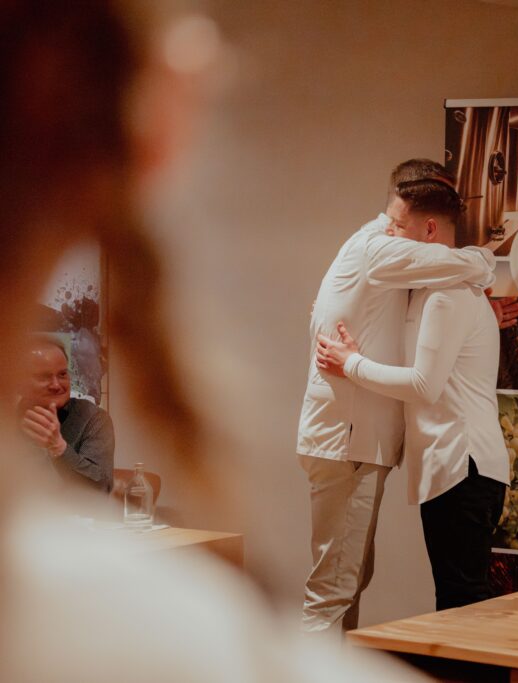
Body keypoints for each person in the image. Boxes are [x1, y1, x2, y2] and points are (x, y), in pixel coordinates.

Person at [0, 2, 418, 680]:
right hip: (342, 449)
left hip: (356, 450)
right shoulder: (141, 638)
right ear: (161, 119)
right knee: (332, 590)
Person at [297, 158, 511, 635]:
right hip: (347, 443)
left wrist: (480, 314)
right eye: (390, 220)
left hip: (366, 445)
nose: (391, 232)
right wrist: (481, 263)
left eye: (398, 224)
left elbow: (425, 354)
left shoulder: (422, 281)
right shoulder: (380, 248)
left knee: (350, 583)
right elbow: (457, 268)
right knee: (335, 588)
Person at [17, 337, 114, 492]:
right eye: (44, 376)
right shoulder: (7, 418)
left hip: (72, 515)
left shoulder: (93, 418)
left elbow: (100, 489)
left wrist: (58, 447)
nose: (56, 385)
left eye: (62, 374)